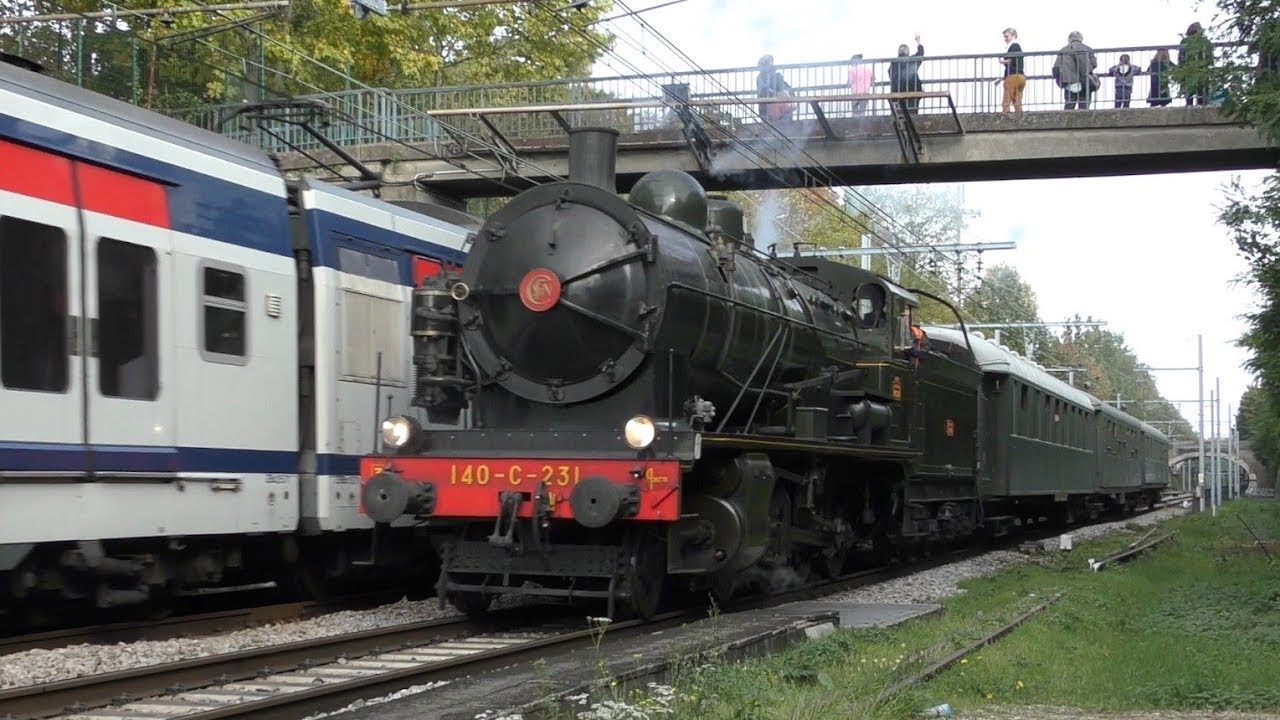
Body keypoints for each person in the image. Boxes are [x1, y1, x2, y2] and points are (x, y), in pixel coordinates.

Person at [1052, 31, 1097, 110]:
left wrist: (1060, 81)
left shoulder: (1063, 50)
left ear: (1069, 39)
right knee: (1084, 108)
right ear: (1081, 39)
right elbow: (1094, 64)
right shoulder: (1087, 48)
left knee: (1069, 108)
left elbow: (1056, 68)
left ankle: (1067, 121)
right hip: (1084, 82)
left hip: (1069, 82)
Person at [1177, 22, 1213, 106]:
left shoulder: (1185, 41)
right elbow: (1209, 56)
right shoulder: (1204, 41)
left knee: (1190, 93)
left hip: (1191, 70)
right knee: (1201, 92)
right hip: (1200, 70)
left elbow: (1181, 57)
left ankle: (1190, 106)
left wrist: (1181, 68)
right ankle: (1200, 106)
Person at [889, 35, 925, 114]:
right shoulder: (912, 61)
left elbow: (890, 74)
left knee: (899, 113)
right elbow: (921, 53)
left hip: (897, 92)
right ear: (907, 51)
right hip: (913, 91)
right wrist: (918, 41)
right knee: (912, 113)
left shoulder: (894, 63)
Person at [996, 27, 1026, 113]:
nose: (1005, 39)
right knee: (1017, 99)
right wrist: (1002, 78)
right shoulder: (1017, 46)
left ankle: (1005, 115)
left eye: (1007, 36)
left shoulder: (1014, 46)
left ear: (1013, 36)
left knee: (1007, 98)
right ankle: (1019, 115)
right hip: (1021, 76)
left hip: (1013, 76)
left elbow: (1010, 60)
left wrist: (1002, 61)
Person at [756, 54, 795, 121]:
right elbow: (764, 91)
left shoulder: (777, 76)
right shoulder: (761, 78)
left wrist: (785, 93)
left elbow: (786, 89)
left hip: (778, 107)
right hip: (769, 107)